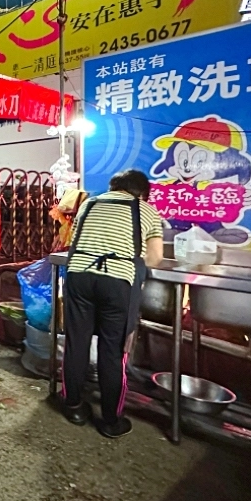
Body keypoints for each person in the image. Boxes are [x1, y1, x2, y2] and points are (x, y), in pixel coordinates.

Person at [61, 169, 163, 438]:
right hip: (117, 283)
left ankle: (73, 406)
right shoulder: (146, 210)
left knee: (76, 343)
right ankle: (110, 420)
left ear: (114, 187)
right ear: (142, 193)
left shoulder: (89, 203)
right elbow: (154, 258)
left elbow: (75, 241)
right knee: (112, 350)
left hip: (79, 276)